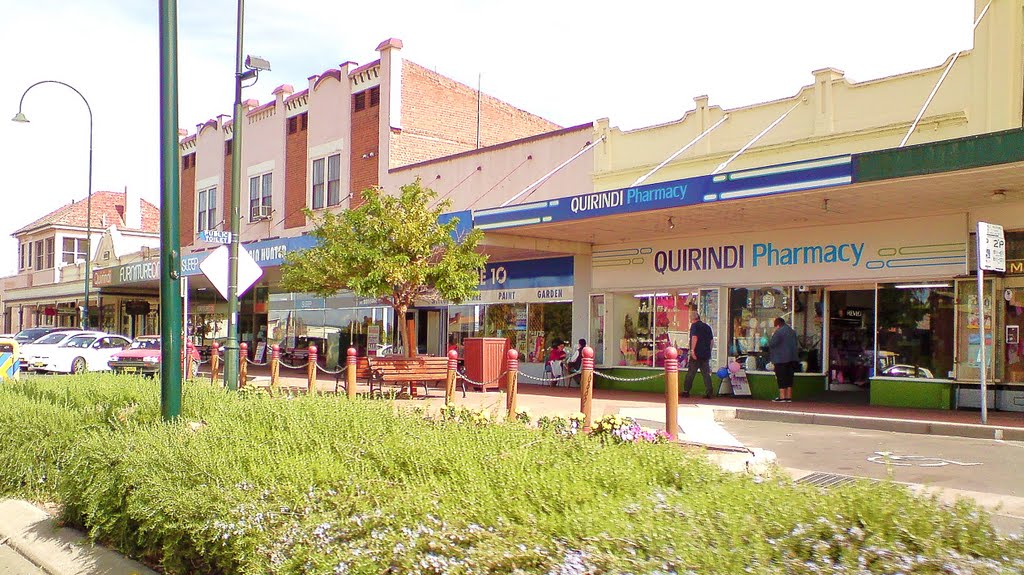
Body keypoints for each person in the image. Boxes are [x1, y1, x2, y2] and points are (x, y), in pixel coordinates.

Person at [683, 313, 715, 399]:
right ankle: (709, 392)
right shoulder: (707, 327)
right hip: (705, 354)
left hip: (696, 354)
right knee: (706, 374)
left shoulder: (694, 326)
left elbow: (694, 338)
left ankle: (686, 391)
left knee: (691, 373)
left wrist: (692, 350)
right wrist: (709, 350)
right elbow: (712, 341)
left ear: (692, 319)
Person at [769, 317, 799, 402]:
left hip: (780, 359)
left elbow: (772, 344)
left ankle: (782, 397)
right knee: (789, 377)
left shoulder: (778, 332)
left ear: (777, 325)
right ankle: (788, 397)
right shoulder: (792, 332)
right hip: (792, 358)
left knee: (781, 377)